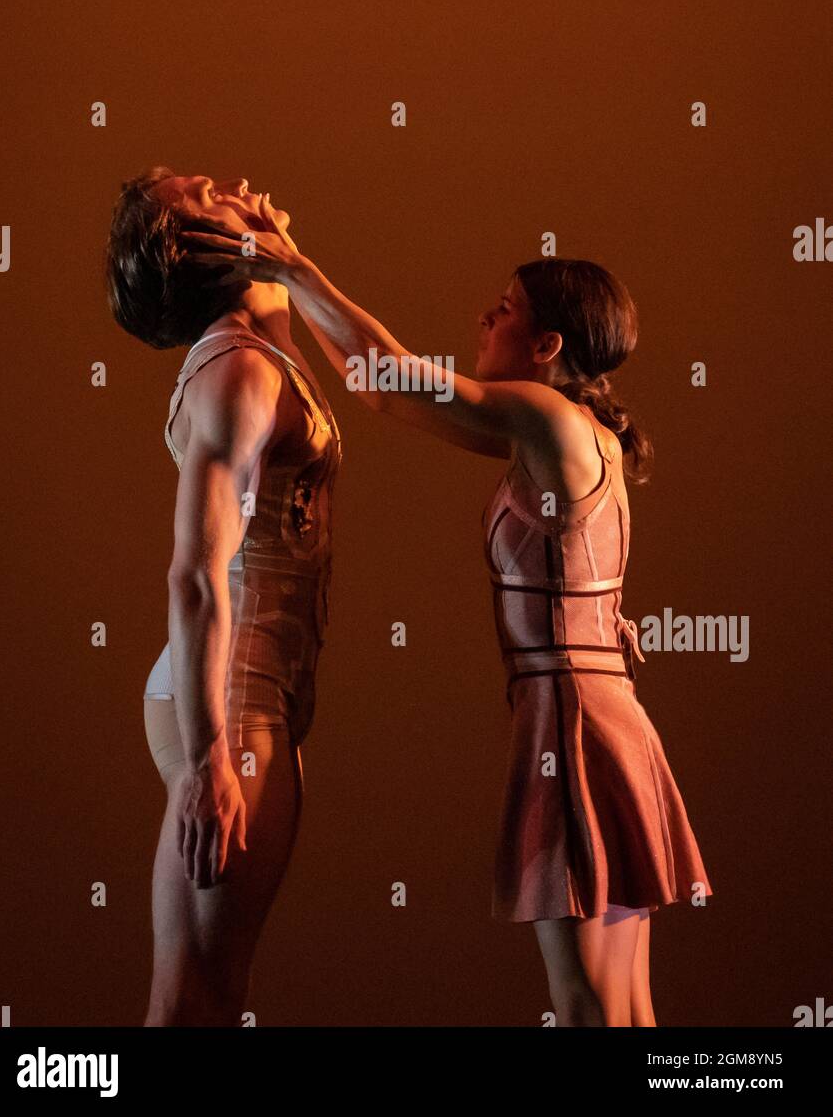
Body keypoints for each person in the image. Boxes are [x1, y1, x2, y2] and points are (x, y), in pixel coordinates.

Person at [184, 196, 714, 1028]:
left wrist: (292, 269)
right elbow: (383, 389)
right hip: (603, 715)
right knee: (624, 1006)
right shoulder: (576, 435)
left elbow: (391, 383)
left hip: (573, 723)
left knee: (586, 1008)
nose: (483, 318)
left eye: (504, 311)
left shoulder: (546, 417)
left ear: (547, 347)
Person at [104, 168, 341, 1026]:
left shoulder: (260, 347)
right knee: (195, 997)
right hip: (229, 708)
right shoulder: (237, 375)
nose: (235, 181)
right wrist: (209, 759)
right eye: (205, 192)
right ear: (201, 253)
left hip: (248, 698)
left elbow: (350, 353)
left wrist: (279, 261)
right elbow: (197, 573)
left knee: (214, 992)